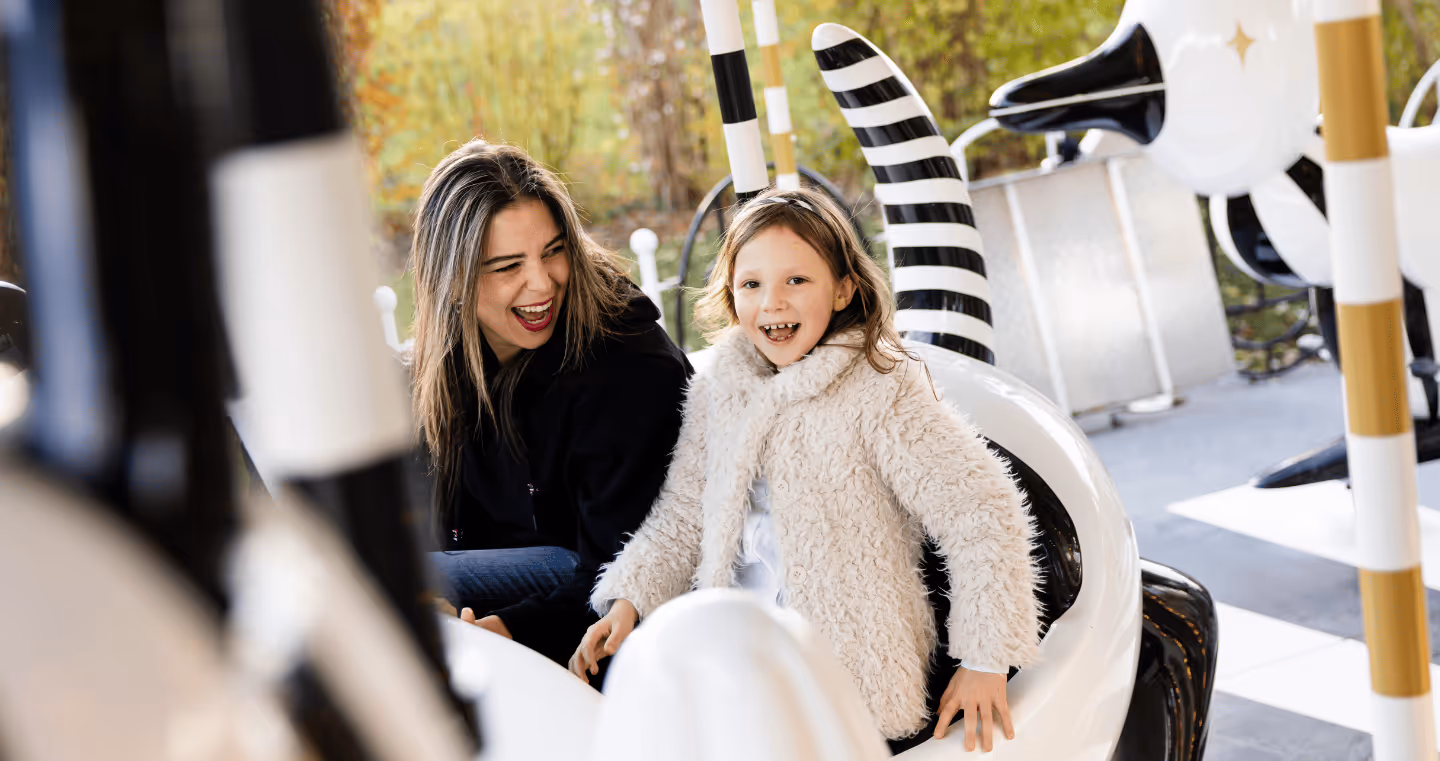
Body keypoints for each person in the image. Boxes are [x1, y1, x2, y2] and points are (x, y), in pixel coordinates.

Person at [571, 187, 1039, 752]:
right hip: (740, 667)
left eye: (796, 280)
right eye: (752, 284)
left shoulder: (879, 387)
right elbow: (684, 517)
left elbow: (982, 511)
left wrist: (985, 659)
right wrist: (629, 600)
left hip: (847, 676)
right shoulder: (721, 387)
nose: (772, 303)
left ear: (843, 288)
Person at [409, 139, 691, 670]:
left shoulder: (625, 365)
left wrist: (509, 628)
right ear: (451, 284)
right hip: (523, 590)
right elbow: (447, 528)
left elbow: (630, 561)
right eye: (507, 266)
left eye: (554, 250)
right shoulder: (453, 360)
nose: (541, 283)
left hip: (609, 591)